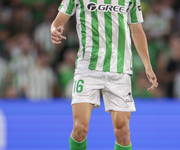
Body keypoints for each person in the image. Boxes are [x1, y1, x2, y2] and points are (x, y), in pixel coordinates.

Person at [51, 0, 158, 149]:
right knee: (80, 128)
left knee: (123, 132)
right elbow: (58, 21)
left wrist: (147, 65)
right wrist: (55, 30)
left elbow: (137, 30)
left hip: (119, 70)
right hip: (88, 68)